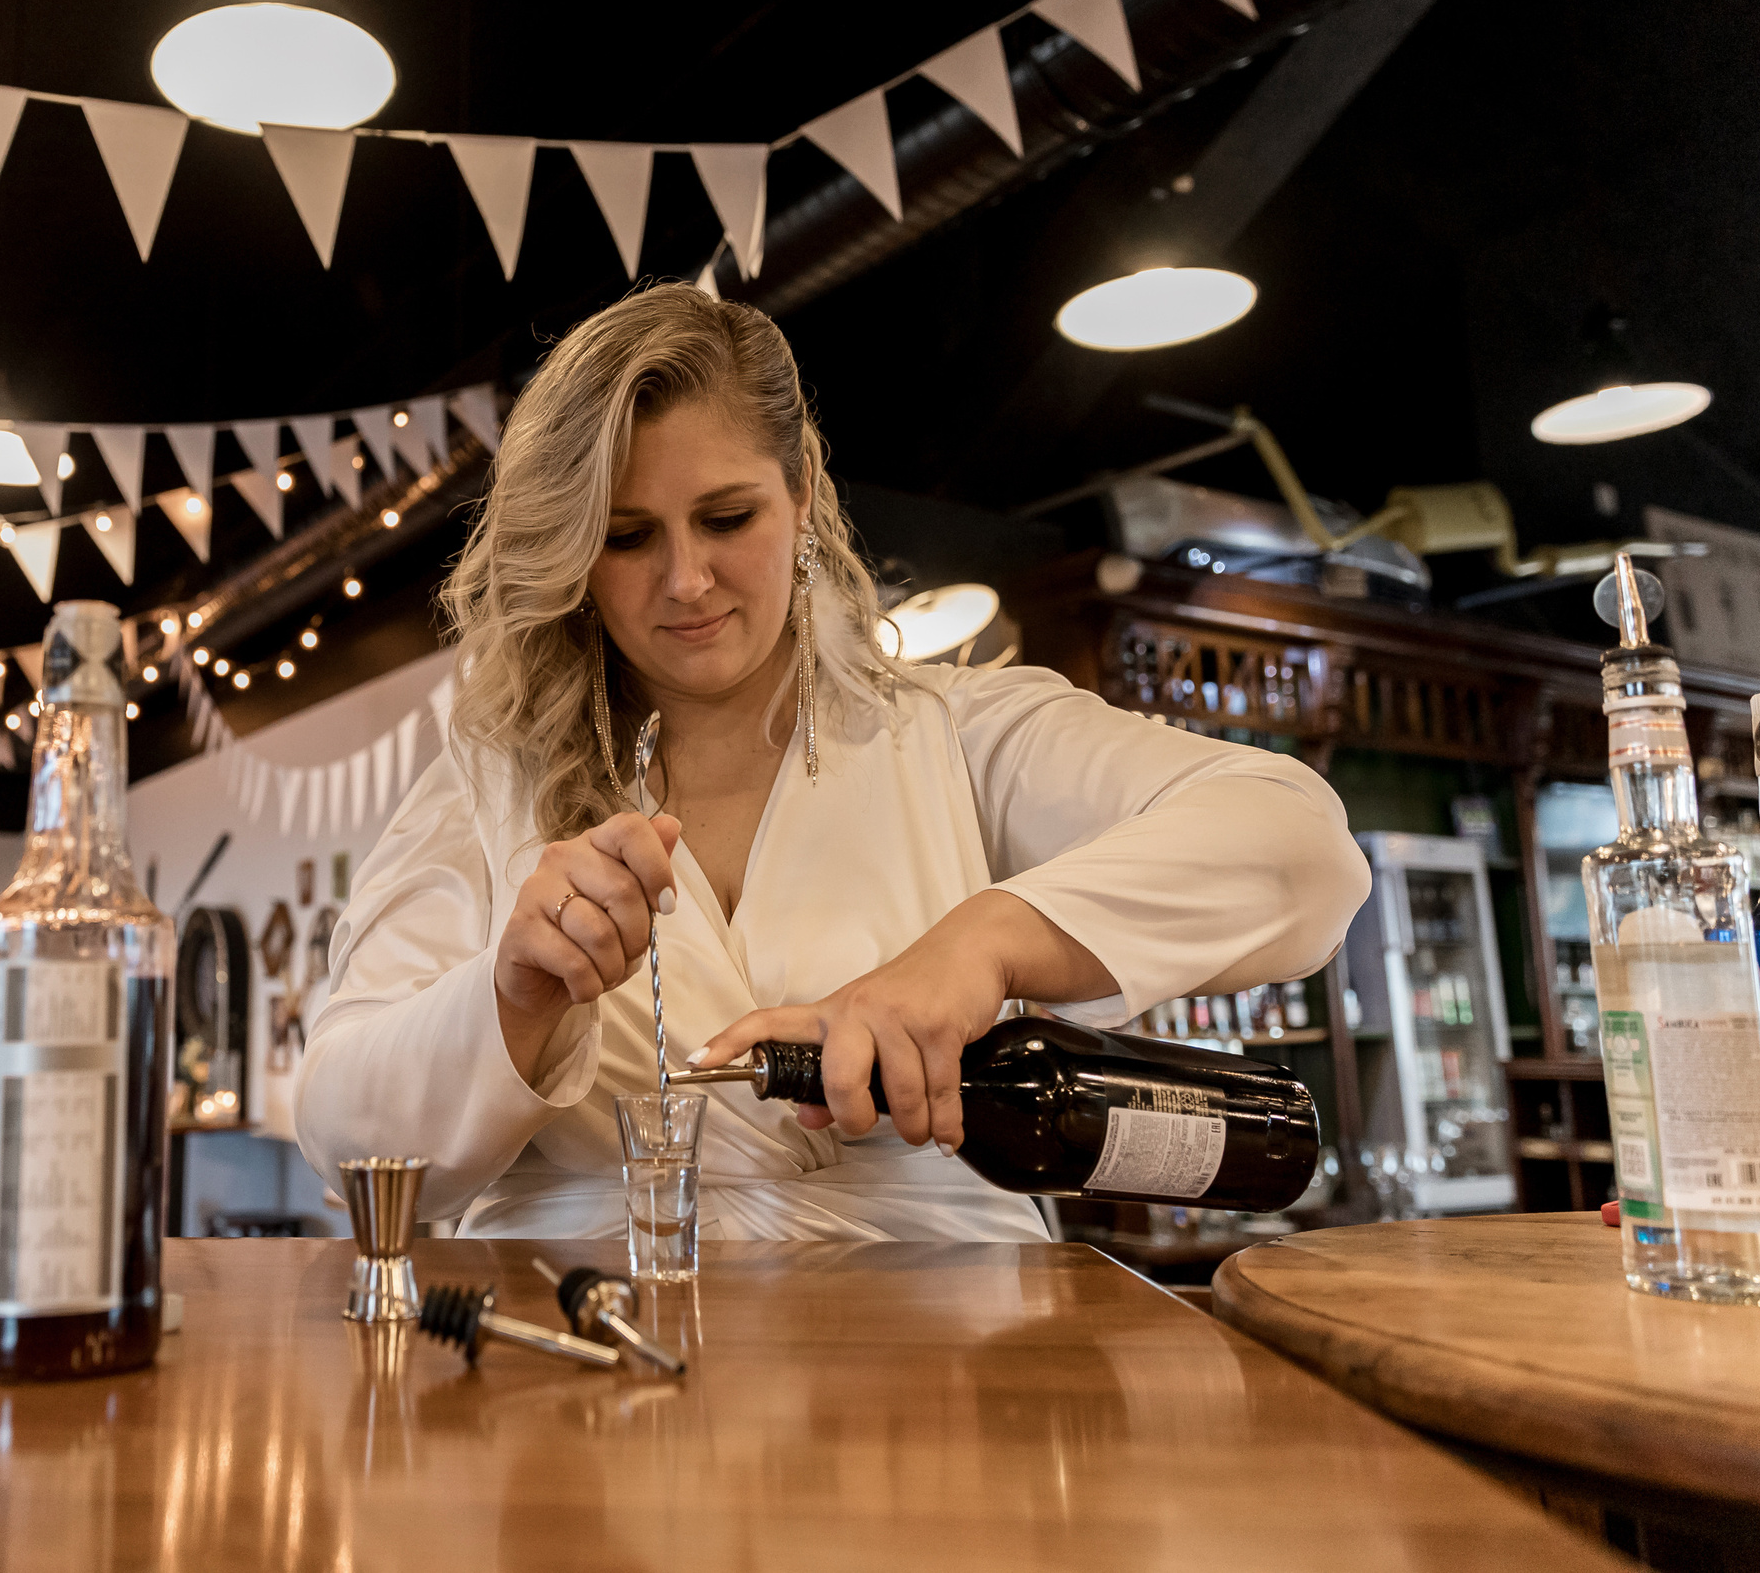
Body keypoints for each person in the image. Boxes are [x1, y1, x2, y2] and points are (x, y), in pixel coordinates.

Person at [294, 284, 1369, 1242]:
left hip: (936, 1363)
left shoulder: (954, 735)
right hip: (584, 1336)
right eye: (625, 538)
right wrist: (513, 996)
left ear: (802, 489)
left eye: (727, 518)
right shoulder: (490, 787)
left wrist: (981, 946)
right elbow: (346, 1145)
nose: (684, 581)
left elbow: (1300, 848)